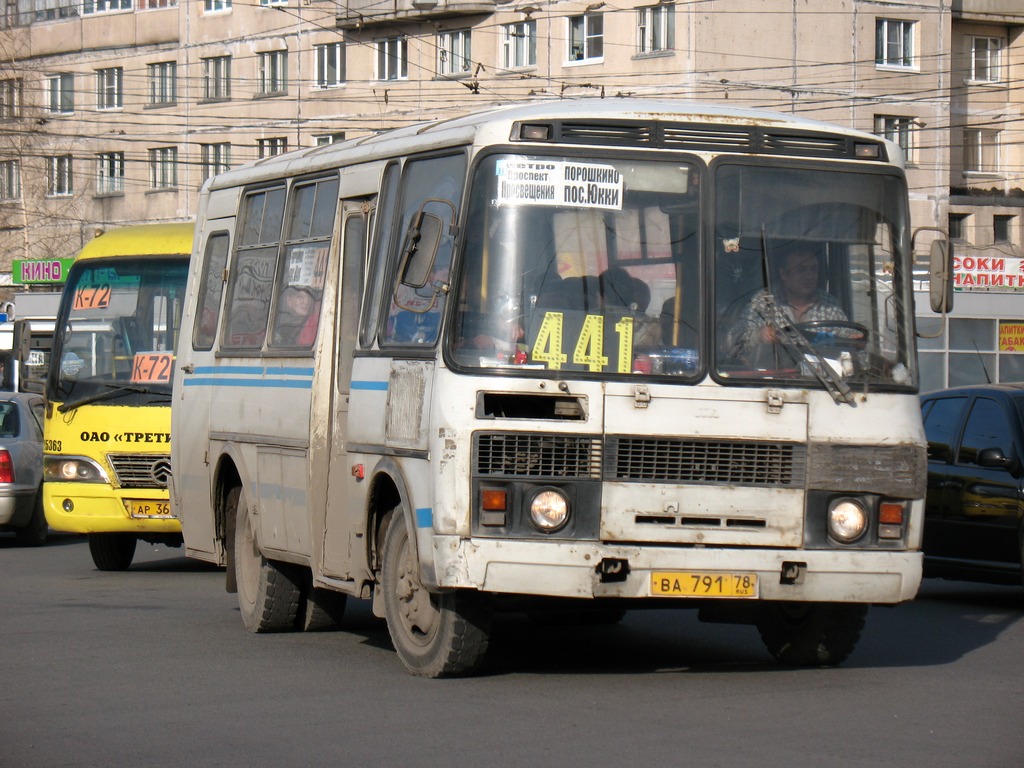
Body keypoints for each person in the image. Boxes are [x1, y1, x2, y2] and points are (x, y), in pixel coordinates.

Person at [726, 246, 847, 365]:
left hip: (821, 381)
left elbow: (846, 340)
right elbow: (732, 340)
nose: (809, 276)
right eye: (801, 270)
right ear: (784, 274)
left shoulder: (829, 305)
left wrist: (853, 340)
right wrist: (759, 335)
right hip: (773, 380)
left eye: (813, 269)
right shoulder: (763, 303)